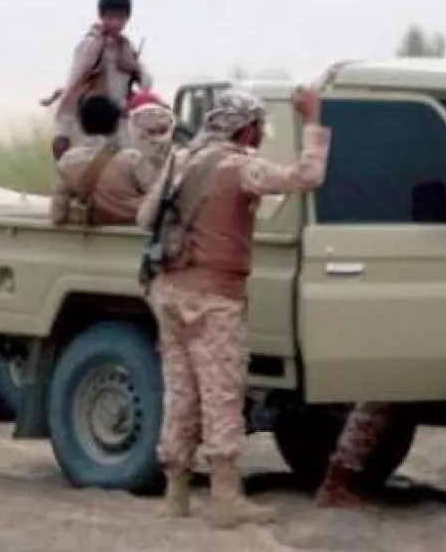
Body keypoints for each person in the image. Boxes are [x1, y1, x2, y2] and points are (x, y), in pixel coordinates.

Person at [137, 87, 331, 527]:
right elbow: (308, 177)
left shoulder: (180, 160)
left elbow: (145, 218)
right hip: (214, 298)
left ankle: (177, 493)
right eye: (259, 126)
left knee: (180, 392)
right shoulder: (240, 167)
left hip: (169, 291)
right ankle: (226, 498)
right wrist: (315, 120)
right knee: (221, 392)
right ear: (247, 128)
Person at [42, 0, 153, 159]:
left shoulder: (125, 47)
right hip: (89, 129)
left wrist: (133, 67)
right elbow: (73, 87)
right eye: (111, 17)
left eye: (120, 17)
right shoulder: (90, 46)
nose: (116, 22)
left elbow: (146, 84)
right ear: (102, 16)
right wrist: (62, 131)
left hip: (119, 127)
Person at [50, 95, 160, 226]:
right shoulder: (132, 158)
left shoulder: (67, 161)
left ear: (82, 124)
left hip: (92, 228)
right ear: (116, 124)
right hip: (133, 230)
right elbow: (158, 198)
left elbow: (58, 214)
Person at [125, 89, 176, 174]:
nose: (157, 139)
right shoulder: (123, 165)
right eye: (150, 131)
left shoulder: (178, 164)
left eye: (163, 130)